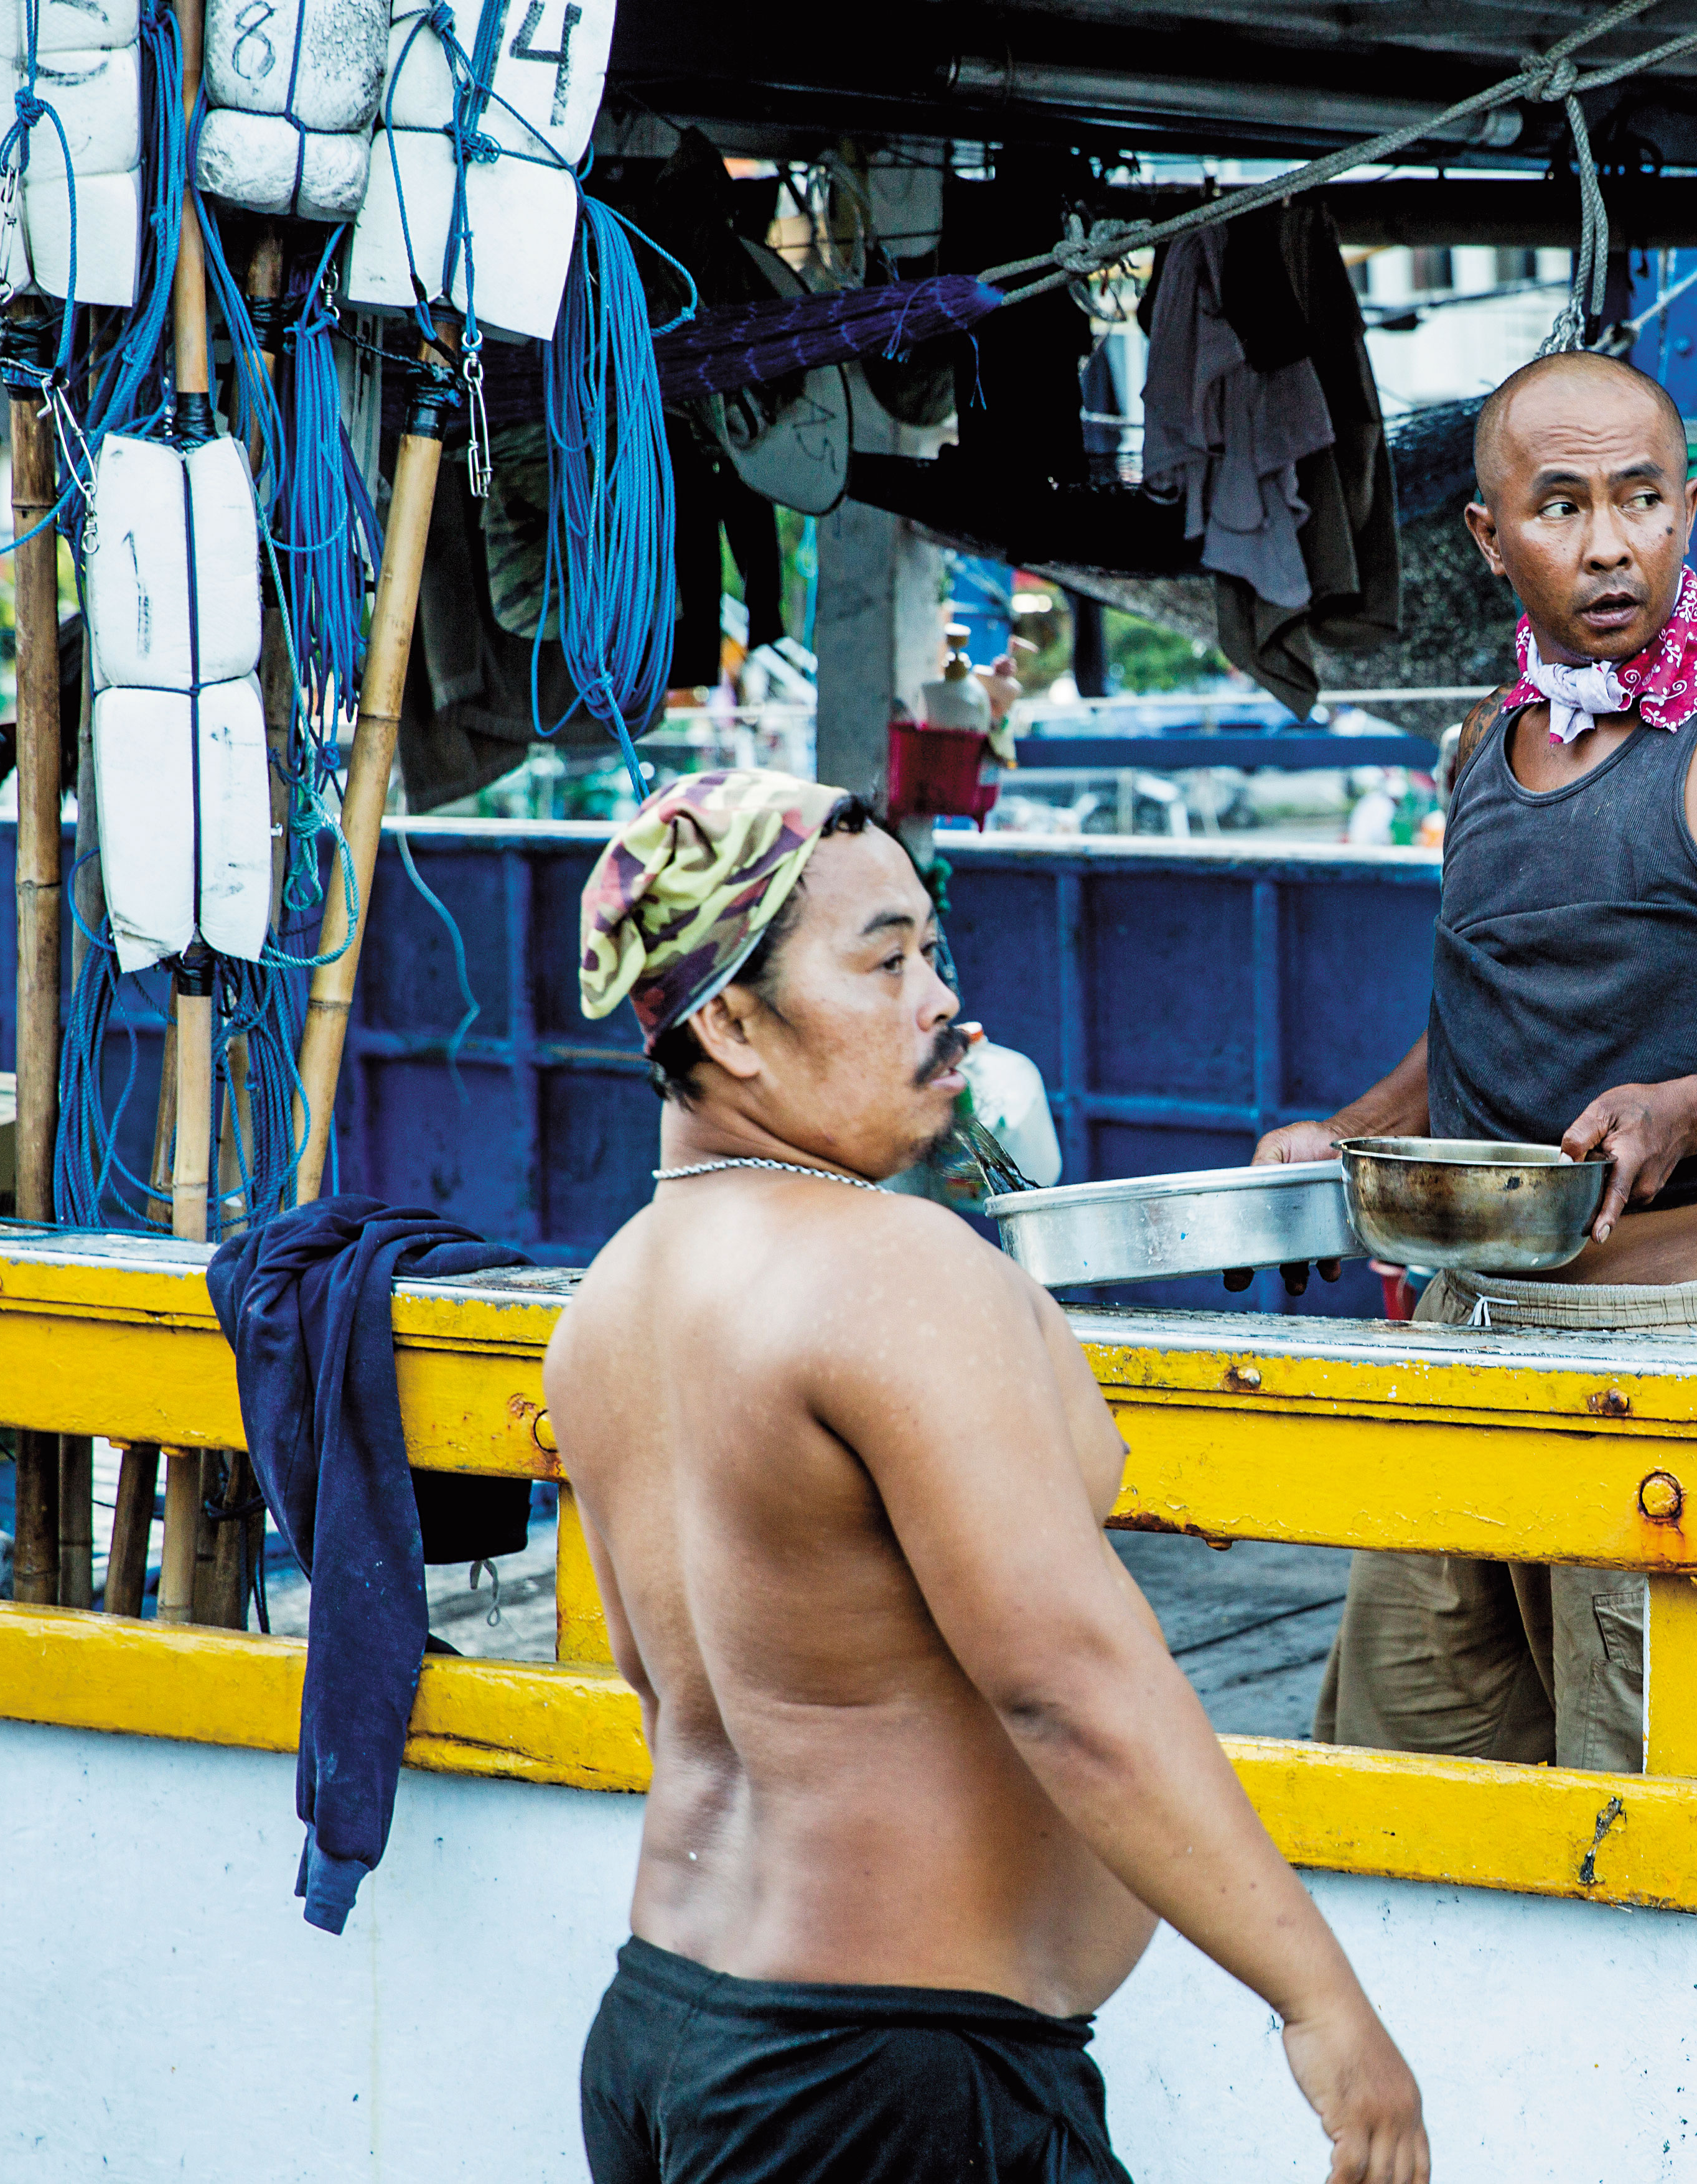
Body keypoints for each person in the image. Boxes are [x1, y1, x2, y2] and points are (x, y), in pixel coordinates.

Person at [546, 770, 1429, 2184]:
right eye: (883, 962)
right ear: (729, 1026)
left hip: (671, 2032)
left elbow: (691, 1693)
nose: (940, 1002)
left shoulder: (607, 1305)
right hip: (883, 2083)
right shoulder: (890, 1275)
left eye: (934, 955)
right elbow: (1067, 1685)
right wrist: (1318, 2000)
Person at [1254, 352, 1697, 1775]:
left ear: (1685, 511)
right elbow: (1485, 1018)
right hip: (1465, 1336)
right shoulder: (1485, 742)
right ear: (1488, 535)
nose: (1606, 544)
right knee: (1413, 1793)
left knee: (1684, 1827)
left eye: (1640, 500)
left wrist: (1684, 1111)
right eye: (1560, 504)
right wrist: (1350, 1133)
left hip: (1683, 1357)